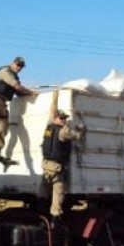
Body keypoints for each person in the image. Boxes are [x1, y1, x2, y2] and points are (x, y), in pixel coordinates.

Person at [0, 56, 37, 166]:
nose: (19, 68)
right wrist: (29, 92)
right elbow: (17, 86)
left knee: (3, 128)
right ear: (12, 63)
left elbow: (19, 92)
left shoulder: (14, 77)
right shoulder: (5, 71)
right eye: (18, 65)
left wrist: (30, 92)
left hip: (3, 102)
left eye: (21, 66)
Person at [41, 91, 85, 228]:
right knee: (58, 194)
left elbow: (52, 111)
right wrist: (81, 128)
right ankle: (55, 218)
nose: (64, 120)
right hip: (56, 169)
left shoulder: (49, 126)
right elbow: (76, 136)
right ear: (56, 118)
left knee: (44, 194)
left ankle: (43, 215)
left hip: (46, 167)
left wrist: (55, 97)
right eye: (61, 118)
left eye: (65, 118)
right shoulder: (63, 131)